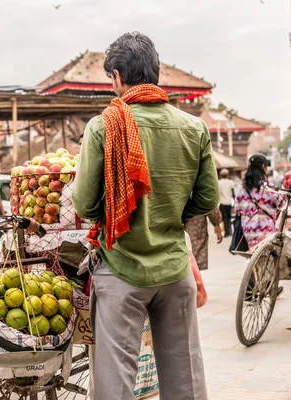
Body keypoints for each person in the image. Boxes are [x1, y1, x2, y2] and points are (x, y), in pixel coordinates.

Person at [72, 32, 218, 400]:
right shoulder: (193, 127)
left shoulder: (104, 126)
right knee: (186, 379)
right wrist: (166, 213)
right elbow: (207, 199)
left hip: (121, 269)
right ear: (155, 73)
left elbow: (86, 206)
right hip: (174, 267)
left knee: (115, 381)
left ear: (118, 77)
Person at [234, 154, 279, 250]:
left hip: (248, 230)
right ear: (263, 167)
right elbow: (282, 204)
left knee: (254, 254)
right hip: (267, 229)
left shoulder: (242, 189)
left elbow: (237, 209)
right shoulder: (269, 188)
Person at [218, 168, 235, 237]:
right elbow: (233, 194)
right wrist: (234, 201)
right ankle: (229, 230)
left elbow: (217, 193)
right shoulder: (231, 182)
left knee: (224, 218)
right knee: (229, 217)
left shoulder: (219, 182)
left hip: (222, 203)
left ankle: (227, 232)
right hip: (229, 203)